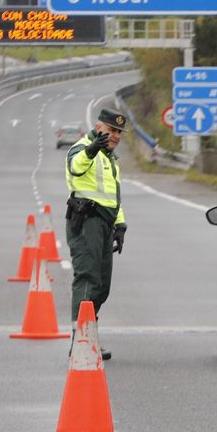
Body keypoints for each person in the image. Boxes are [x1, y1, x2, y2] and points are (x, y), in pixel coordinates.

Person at [65, 108, 128, 360]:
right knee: (87, 279)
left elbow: (113, 195)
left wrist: (120, 225)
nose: (115, 136)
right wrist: (91, 150)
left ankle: (89, 333)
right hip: (87, 221)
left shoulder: (111, 157)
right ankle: (79, 340)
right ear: (99, 127)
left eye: (119, 132)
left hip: (105, 223)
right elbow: (75, 168)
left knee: (102, 286)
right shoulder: (82, 147)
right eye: (111, 130)